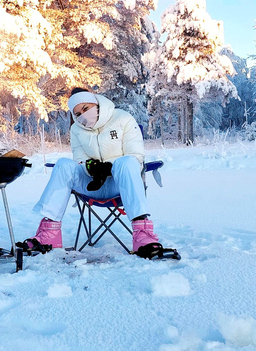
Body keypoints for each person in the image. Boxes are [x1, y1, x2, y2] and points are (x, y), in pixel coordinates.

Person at [23, 87, 174, 258]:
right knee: (64, 164)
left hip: (120, 186)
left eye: (86, 108)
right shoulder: (77, 130)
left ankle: (143, 237)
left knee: (127, 162)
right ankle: (48, 235)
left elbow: (136, 157)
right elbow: (79, 158)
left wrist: (107, 167)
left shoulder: (123, 119)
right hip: (91, 184)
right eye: (78, 113)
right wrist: (90, 167)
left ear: (95, 102)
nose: (83, 116)